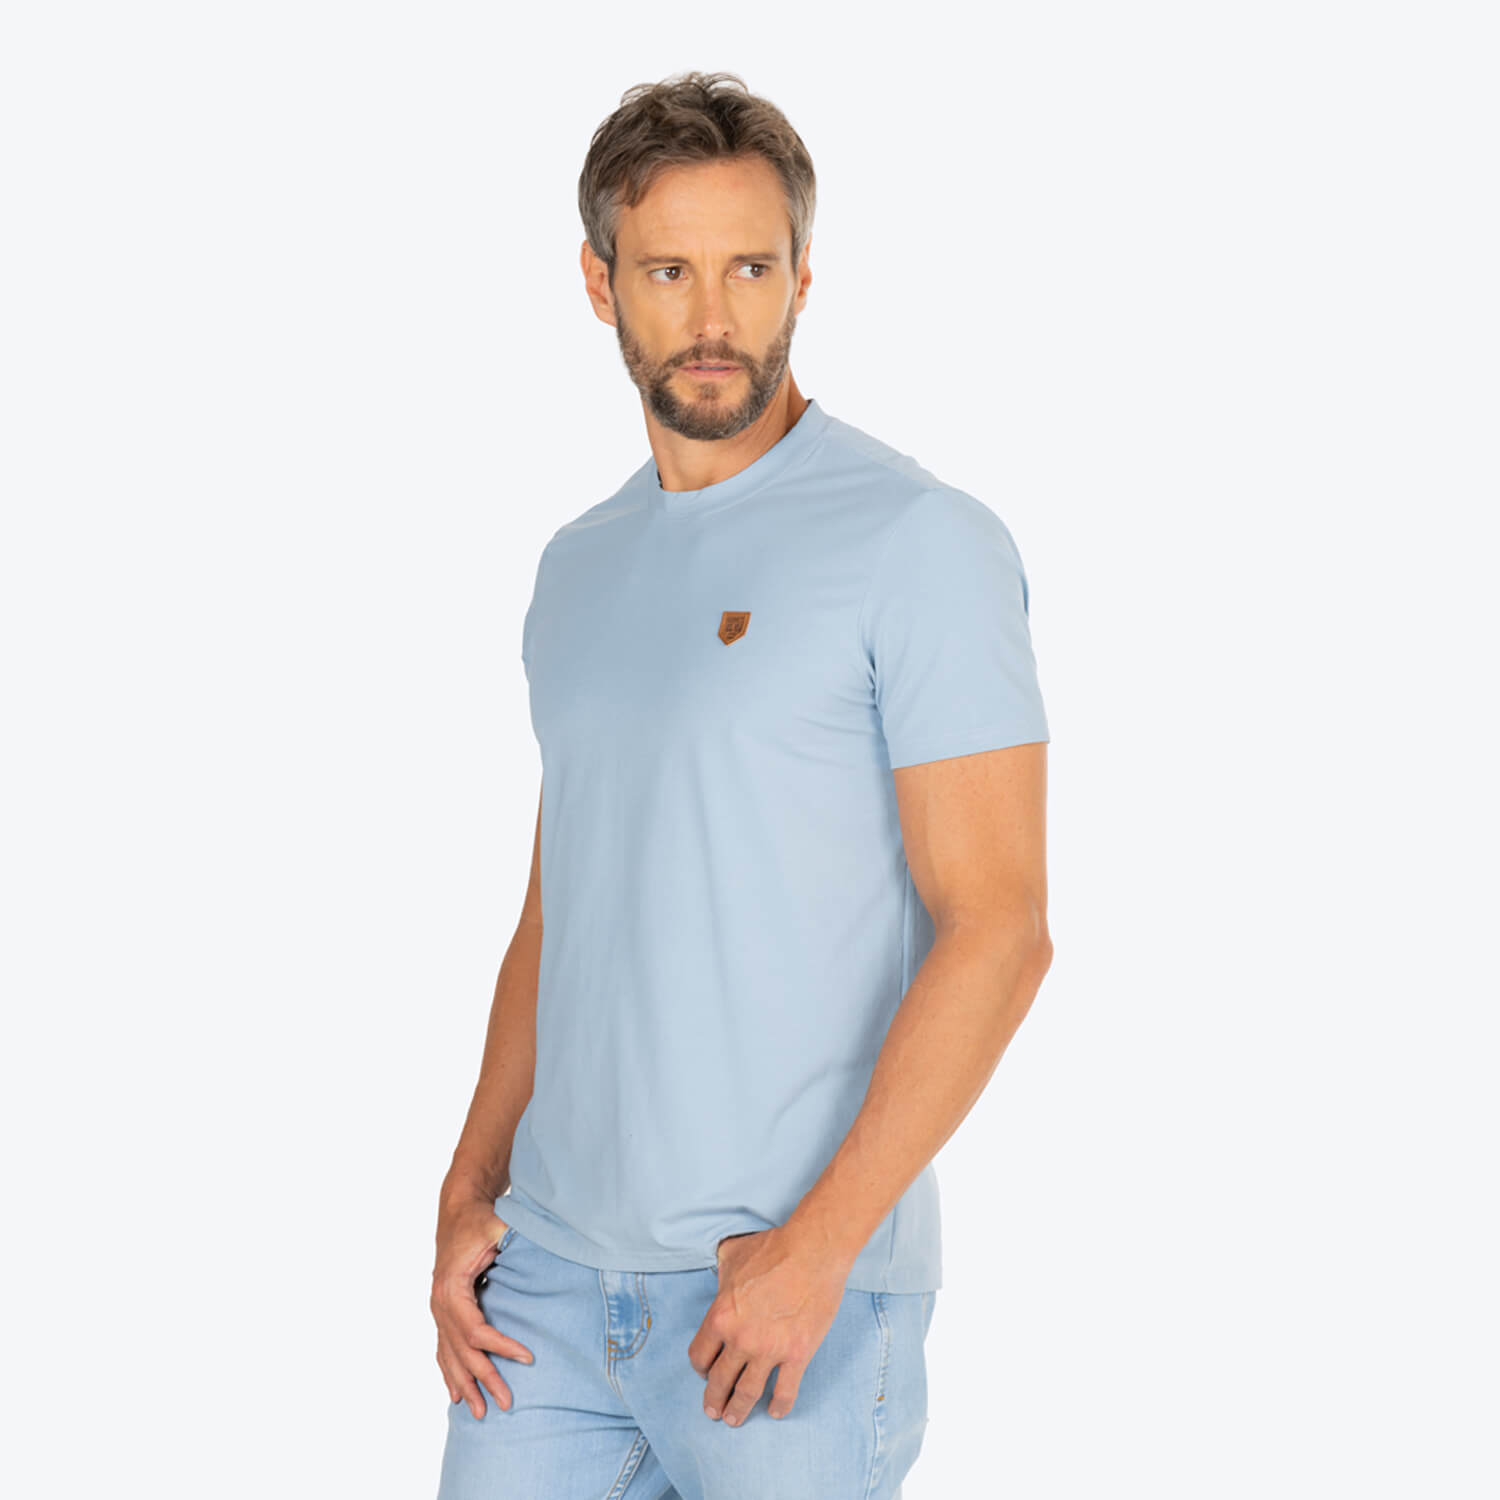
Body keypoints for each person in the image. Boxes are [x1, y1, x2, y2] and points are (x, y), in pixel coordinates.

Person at [431, 70, 1053, 1500]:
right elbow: (559, 914)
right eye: (669, 271)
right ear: (600, 284)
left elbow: (1001, 928)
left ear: (803, 279)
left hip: (777, 1298)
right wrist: (470, 1185)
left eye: (751, 269)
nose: (714, 318)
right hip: (544, 1295)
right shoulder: (577, 566)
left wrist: (819, 1251)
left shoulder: (919, 540)